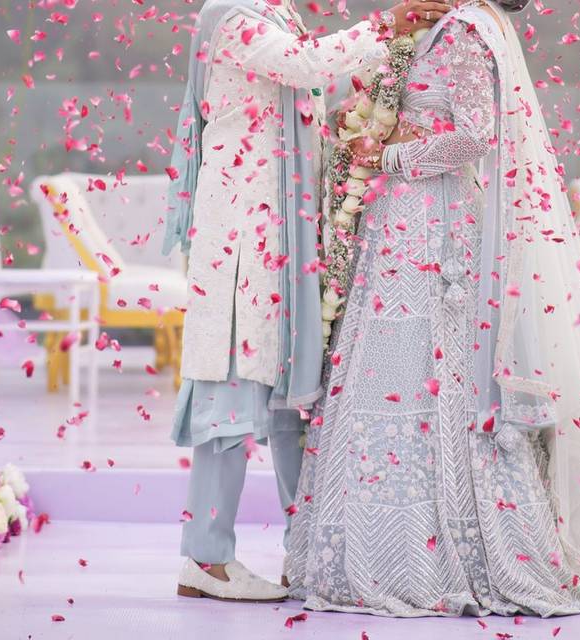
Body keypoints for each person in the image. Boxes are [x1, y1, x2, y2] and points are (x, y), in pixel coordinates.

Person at [284, 0, 580, 617]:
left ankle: (445, 552)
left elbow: (478, 134)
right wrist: (369, 125)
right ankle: (374, 552)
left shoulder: (467, 33)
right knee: (384, 372)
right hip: (398, 226)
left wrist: (393, 155)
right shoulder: (435, 29)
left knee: (427, 371)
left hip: (433, 231)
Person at [163, 0, 450, 603]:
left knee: (292, 405)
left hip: (285, 237)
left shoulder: (274, 16)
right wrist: (387, 26)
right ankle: (206, 561)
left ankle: (312, 554)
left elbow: (303, 97)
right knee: (231, 397)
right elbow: (305, 65)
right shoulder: (236, 20)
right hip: (243, 241)